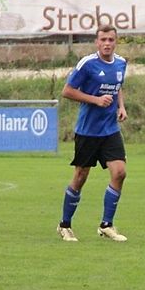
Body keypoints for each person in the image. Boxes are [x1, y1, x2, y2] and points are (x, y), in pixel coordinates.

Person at [57, 24, 129, 243]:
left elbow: (118, 87)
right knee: (80, 177)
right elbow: (67, 91)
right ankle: (64, 225)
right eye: (103, 40)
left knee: (120, 173)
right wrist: (96, 100)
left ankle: (106, 225)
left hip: (110, 129)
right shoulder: (87, 64)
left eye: (111, 40)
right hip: (88, 130)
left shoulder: (121, 63)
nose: (107, 43)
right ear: (97, 42)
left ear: (116, 42)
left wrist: (121, 106)